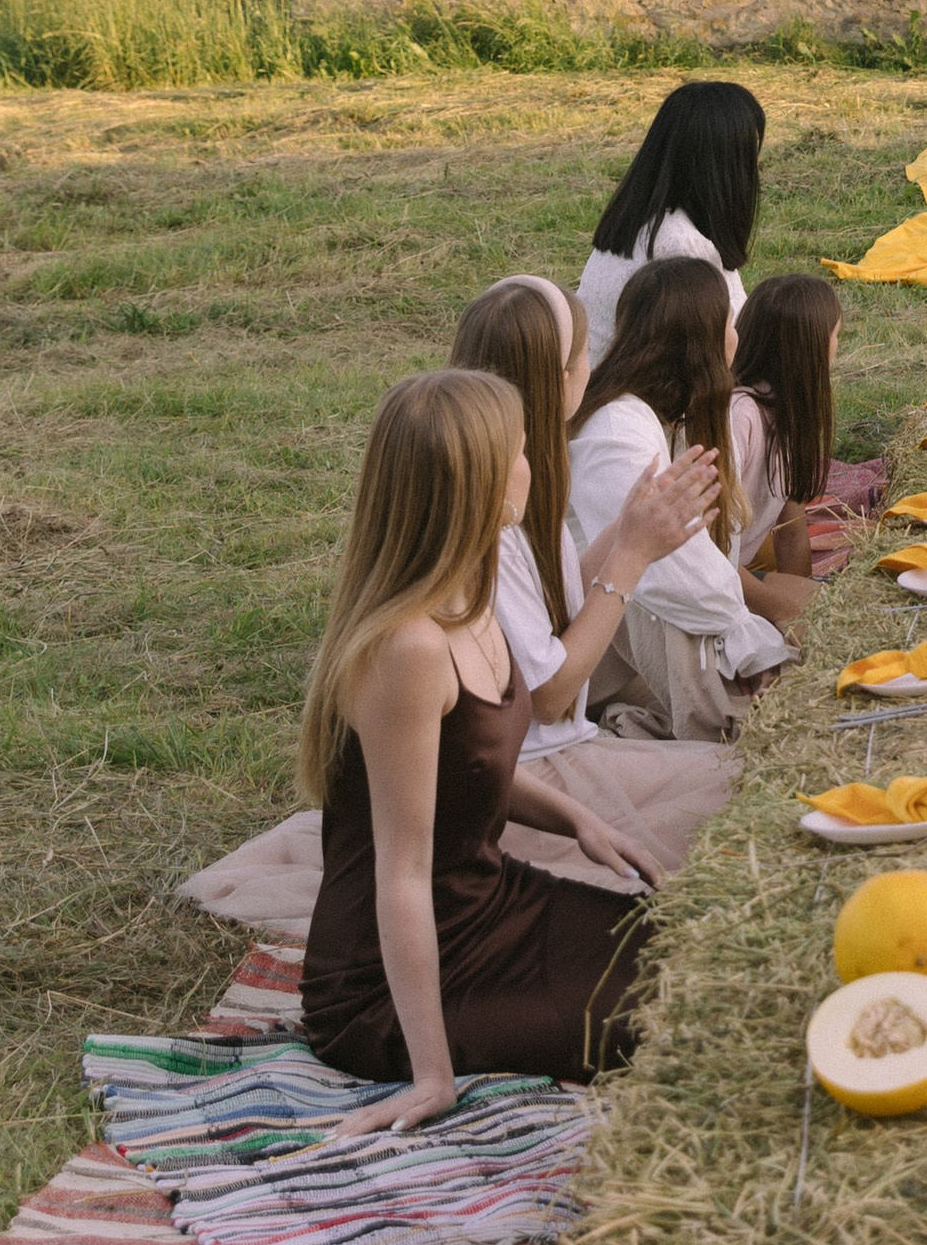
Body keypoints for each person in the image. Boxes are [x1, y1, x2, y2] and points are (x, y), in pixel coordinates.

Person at [300, 369, 663, 1116]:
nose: (535, 464)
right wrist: (433, 1078)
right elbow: (401, 873)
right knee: (664, 1026)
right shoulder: (410, 651)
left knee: (689, 954)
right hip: (384, 986)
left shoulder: (476, 589)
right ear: (478, 485)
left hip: (490, 905)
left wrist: (580, 822)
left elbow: (466, 768)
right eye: (522, 450)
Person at [446, 275, 741, 876]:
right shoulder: (495, 507)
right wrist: (630, 558)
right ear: (559, 380)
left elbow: (544, 610)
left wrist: (628, 528)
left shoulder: (517, 472)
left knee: (745, 781)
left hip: (553, 753)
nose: (595, 364)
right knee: (738, 799)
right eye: (584, 354)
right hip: (533, 774)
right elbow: (549, 698)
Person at [567, 256, 788, 741]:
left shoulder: (675, 419)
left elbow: (710, 554)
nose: (737, 336)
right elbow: (666, 565)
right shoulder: (616, 430)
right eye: (729, 322)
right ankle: (732, 725)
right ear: (701, 340)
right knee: (663, 588)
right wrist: (751, 640)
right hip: (587, 654)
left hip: (619, 651)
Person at [580, 80, 765, 363]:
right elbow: (729, 356)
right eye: (748, 155)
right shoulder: (680, 247)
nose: (755, 170)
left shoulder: (644, 221)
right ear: (722, 166)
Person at [728, 269, 843, 636]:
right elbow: (711, 557)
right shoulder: (740, 417)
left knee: (834, 612)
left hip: (737, 579)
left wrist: (799, 596)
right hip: (712, 584)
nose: (838, 346)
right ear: (810, 350)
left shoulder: (790, 412)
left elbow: (791, 530)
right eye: (836, 336)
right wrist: (786, 612)